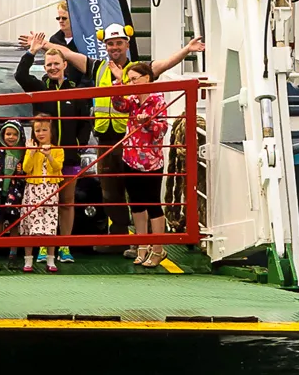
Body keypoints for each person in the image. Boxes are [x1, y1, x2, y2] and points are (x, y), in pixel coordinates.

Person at [56, 24, 203, 245]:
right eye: (110, 43)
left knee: (142, 194)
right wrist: (40, 46)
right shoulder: (97, 67)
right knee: (110, 190)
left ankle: (147, 242)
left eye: (118, 42)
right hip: (106, 138)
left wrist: (187, 50)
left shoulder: (141, 71)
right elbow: (67, 53)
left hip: (138, 142)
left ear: (127, 44)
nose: (114, 47)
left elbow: (165, 64)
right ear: (105, 46)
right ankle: (122, 235)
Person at [15, 35, 90, 261]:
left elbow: (84, 122)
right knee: (41, 204)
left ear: (65, 65)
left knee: (67, 202)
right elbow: (20, 75)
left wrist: (78, 145)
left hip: (67, 158)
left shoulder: (75, 91)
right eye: (49, 65)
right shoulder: (39, 87)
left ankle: (64, 246)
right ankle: (42, 246)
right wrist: (32, 52)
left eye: (57, 64)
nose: (53, 68)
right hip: (41, 158)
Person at [113, 61, 172, 267]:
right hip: (130, 157)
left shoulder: (157, 100)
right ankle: (142, 245)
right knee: (136, 204)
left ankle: (158, 248)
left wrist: (147, 122)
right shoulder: (133, 99)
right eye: (130, 80)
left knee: (153, 204)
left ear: (147, 78)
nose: (132, 83)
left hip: (150, 161)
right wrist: (119, 83)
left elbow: (162, 130)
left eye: (134, 79)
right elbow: (118, 105)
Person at [18, 110, 65, 273]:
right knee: (30, 226)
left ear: (52, 131)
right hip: (33, 190)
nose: (41, 133)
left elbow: (57, 167)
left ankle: (51, 259)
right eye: (37, 130)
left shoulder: (58, 150)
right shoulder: (31, 149)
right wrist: (31, 152)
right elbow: (26, 168)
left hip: (50, 191)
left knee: (50, 227)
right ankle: (28, 260)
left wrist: (49, 155)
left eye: (44, 130)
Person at [0, 121, 26, 271]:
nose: (11, 137)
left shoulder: (23, 153)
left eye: (15, 134)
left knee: (14, 224)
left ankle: (13, 255)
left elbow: (27, 170)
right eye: (8, 134)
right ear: (2, 135)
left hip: (15, 194)